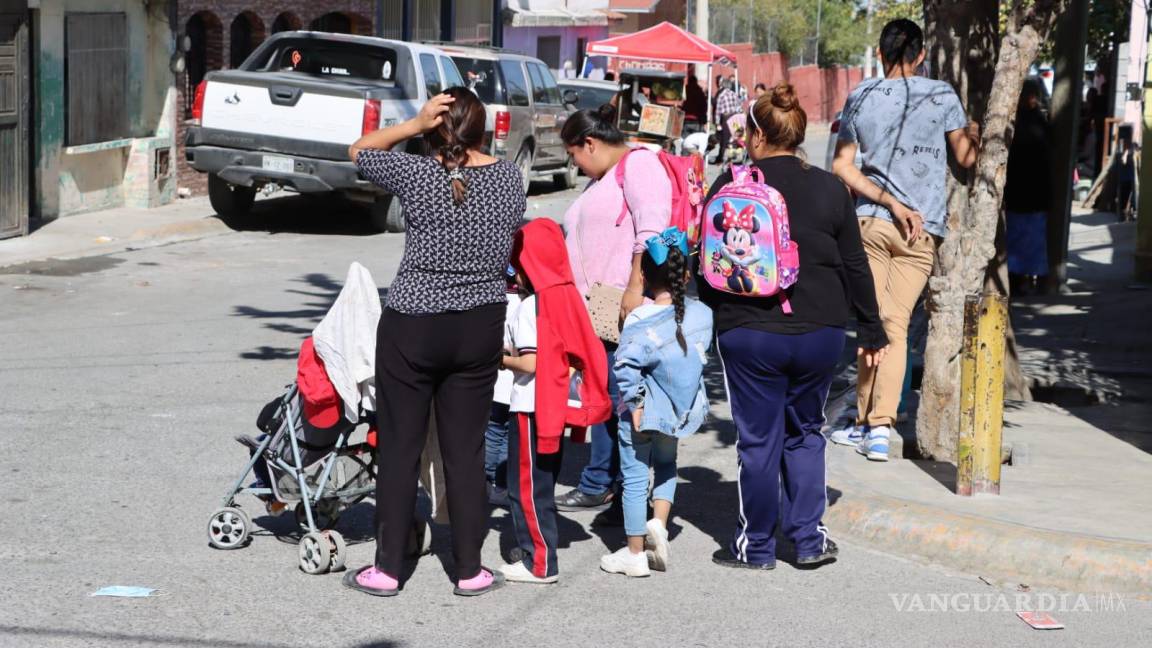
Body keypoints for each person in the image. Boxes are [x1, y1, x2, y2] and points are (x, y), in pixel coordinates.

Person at [343, 87, 525, 598]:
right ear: (483, 128)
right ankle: (469, 570)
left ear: (437, 127)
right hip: (479, 325)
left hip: (413, 324)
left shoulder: (417, 173)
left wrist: (414, 125)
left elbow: (358, 150)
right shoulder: (510, 178)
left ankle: (387, 569)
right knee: (464, 452)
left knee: (400, 448)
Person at [704, 82, 888, 570]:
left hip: (749, 332)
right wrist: (872, 329)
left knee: (759, 440)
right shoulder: (831, 188)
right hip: (821, 333)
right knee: (806, 431)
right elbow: (855, 264)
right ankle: (808, 540)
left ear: (756, 136)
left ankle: (757, 548)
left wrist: (714, 317)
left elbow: (708, 265)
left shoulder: (731, 187)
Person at [830, 19, 979, 461]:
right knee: (893, 325)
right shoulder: (941, 95)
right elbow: (967, 158)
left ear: (880, 54)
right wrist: (974, 128)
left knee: (874, 323)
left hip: (871, 222)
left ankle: (865, 424)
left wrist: (888, 201)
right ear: (918, 55)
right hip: (921, 229)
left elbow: (842, 167)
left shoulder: (861, 96)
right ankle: (878, 428)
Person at [555, 105, 672, 517]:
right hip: (598, 305)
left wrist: (636, 285)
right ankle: (613, 486)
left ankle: (605, 484)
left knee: (617, 397)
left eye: (575, 155)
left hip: (621, 304)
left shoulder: (639, 166)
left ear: (590, 143)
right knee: (607, 393)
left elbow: (651, 228)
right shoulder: (607, 176)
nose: (576, 164)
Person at [499, 219, 612, 585]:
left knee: (525, 487)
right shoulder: (566, 294)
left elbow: (530, 362)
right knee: (541, 483)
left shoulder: (533, 304)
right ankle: (538, 547)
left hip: (531, 404)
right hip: (553, 406)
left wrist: (500, 358)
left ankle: (539, 562)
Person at [600, 228, 713, 577]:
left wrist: (633, 404)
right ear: (687, 274)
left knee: (634, 476)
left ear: (645, 276)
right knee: (666, 465)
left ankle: (634, 553)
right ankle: (659, 527)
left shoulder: (639, 319)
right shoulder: (703, 315)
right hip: (678, 410)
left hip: (643, 411)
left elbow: (626, 365)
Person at [1004, 78, 1052, 294]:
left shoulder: (1031, 122)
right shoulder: (1024, 122)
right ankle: (1021, 279)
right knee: (1022, 239)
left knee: (1028, 238)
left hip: (1028, 193)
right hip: (1023, 192)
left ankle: (1028, 278)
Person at [484, 268, 522, 507]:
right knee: (501, 428)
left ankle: (491, 482)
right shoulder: (523, 303)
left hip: (500, 377)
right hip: (511, 375)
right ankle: (494, 481)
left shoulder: (496, 296)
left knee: (496, 427)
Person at [713, 77, 742, 166]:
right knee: (734, 138)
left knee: (724, 139)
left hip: (726, 117)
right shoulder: (734, 94)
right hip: (735, 117)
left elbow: (718, 110)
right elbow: (738, 106)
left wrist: (717, 123)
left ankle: (721, 159)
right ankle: (732, 158)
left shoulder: (721, 95)